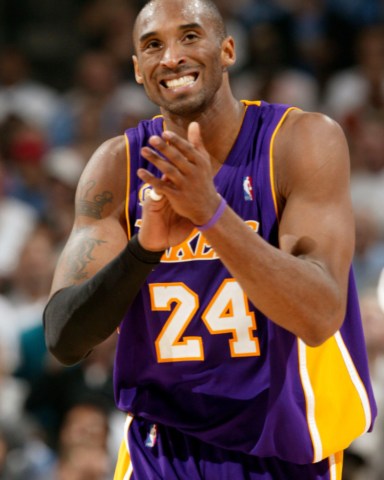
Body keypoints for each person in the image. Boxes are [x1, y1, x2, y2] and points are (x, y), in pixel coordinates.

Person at [43, 0, 377, 479]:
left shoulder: (300, 142)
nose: (172, 56)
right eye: (153, 45)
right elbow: (64, 338)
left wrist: (211, 214)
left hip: (283, 448)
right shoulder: (117, 166)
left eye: (190, 36)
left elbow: (321, 313)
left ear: (227, 50)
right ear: (138, 70)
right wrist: (143, 250)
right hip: (160, 451)